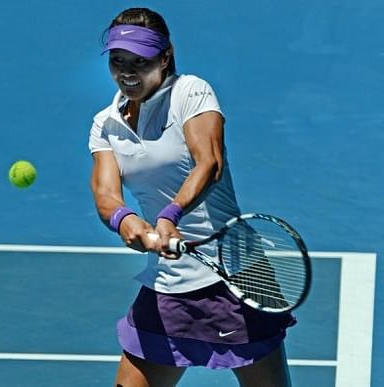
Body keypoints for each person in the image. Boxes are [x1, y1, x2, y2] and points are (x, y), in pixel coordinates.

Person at [89, 7, 296, 387]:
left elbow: (209, 163)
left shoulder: (191, 92)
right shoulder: (106, 123)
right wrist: (126, 221)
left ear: (165, 57)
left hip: (233, 277)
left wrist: (169, 215)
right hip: (167, 284)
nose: (127, 72)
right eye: (118, 62)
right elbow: (105, 194)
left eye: (140, 61)